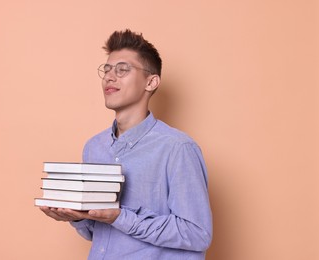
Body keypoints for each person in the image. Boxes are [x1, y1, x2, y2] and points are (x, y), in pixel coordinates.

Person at [40, 29, 212, 259]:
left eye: (122, 70)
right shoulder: (94, 147)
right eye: (107, 70)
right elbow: (101, 233)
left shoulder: (177, 148)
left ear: (151, 82)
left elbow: (197, 233)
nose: (109, 77)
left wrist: (120, 216)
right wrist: (78, 216)